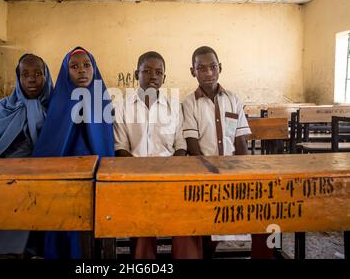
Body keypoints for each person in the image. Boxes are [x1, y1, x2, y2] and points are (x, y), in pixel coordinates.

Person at [182, 46, 274, 259]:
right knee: (206, 225)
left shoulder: (233, 99)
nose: (208, 73)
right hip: (204, 175)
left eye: (213, 67)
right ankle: (207, 250)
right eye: (201, 68)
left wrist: (243, 174)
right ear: (192, 71)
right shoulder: (189, 103)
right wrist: (212, 176)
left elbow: (240, 141)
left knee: (266, 213)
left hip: (235, 172)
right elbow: (193, 147)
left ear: (220, 68)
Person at [0, 53, 53, 258]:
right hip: (6, 168)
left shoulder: (56, 106)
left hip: (45, 169)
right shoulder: (4, 107)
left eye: (38, 73)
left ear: (46, 76)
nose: (32, 79)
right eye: (25, 74)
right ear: (18, 78)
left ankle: (28, 249)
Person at [114, 51, 200, 258]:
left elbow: (181, 143)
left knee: (183, 224)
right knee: (143, 226)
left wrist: (169, 168)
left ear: (164, 78)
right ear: (137, 74)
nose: (153, 76)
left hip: (171, 177)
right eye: (147, 71)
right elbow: (120, 146)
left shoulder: (174, 107)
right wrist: (142, 172)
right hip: (136, 179)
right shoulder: (122, 107)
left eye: (159, 72)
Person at [33, 47, 114, 259]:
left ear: (94, 69)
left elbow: (105, 145)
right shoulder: (58, 101)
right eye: (74, 66)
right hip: (61, 179)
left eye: (87, 65)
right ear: (66, 71)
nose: (81, 71)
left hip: (97, 179)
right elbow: (50, 145)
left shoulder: (102, 101)